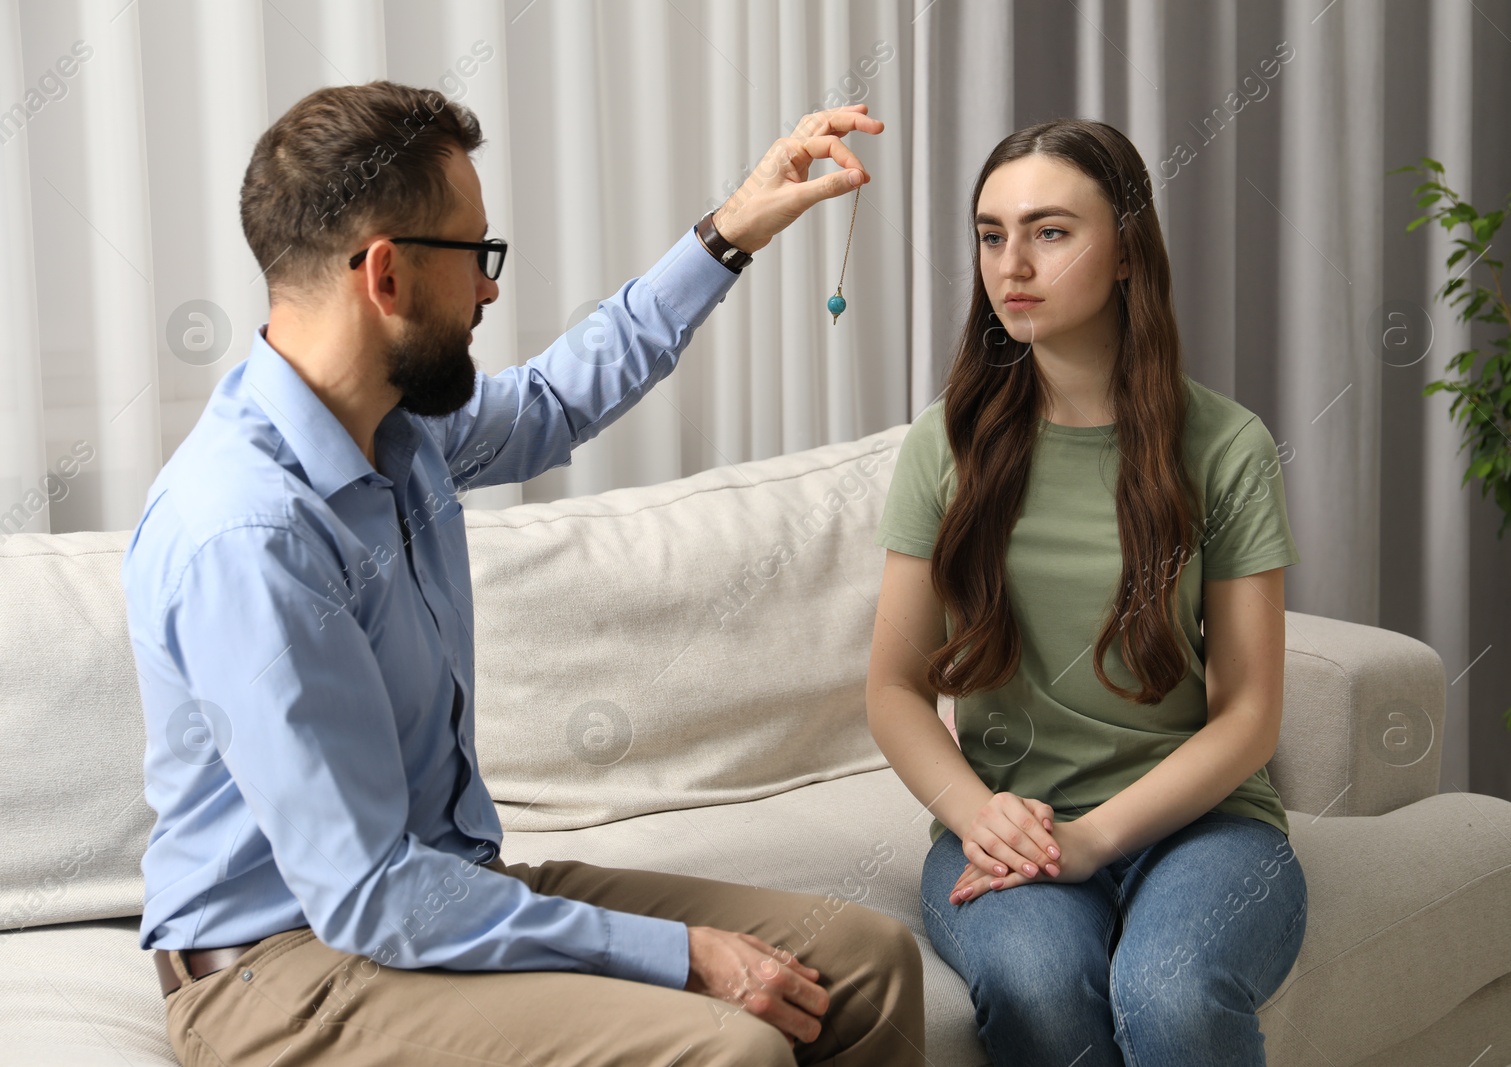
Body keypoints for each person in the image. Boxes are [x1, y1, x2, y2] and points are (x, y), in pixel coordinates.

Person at [122, 80, 924, 1067]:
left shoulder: (394, 428)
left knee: (866, 959)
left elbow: (557, 396)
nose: (490, 290)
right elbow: (366, 890)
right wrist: (676, 953)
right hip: (288, 969)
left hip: (437, 892)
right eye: (477, 256)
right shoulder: (249, 537)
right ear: (386, 275)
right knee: (728, 1045)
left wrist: (733, 228)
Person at [864, 117, 1308, 1067]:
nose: (1011, 262)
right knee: (1036, 990)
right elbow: (894, 687)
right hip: (1007, 826)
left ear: (1124, 255)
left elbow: (1250, 715)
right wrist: (978, 813)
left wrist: (1099, 836)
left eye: (1051, 231)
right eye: (992, 234)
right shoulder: (943, 446)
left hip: (1207, 827)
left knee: (1172, 994)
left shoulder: (1227, 448)